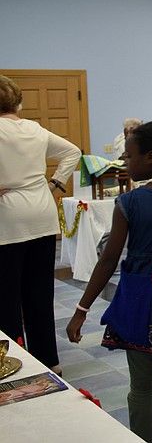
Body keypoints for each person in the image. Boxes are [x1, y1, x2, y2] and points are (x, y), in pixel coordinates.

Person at [66, 121, 152, 443]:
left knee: (140, 388)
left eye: (129, 155)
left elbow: (108, 260)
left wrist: (82, 309)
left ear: (150, 156)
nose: (125, 161)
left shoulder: (129, 202)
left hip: (140, 303)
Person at [0, 75, 81, 376]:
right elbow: (72, 151)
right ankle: (49, 359)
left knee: (6, 298)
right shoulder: (34, 129)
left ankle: (12, 362)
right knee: (39, 294)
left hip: (8, 219)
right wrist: (56, 183)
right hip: (42, 215)